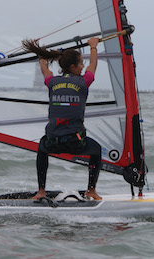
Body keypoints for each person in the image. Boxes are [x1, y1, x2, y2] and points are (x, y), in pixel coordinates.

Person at [22, 38, 102, 200]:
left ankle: (41, 191)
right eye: (81, 64)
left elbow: (44, 67)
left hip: (53, 142)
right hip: (76, 143)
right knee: (97, 150)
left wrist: (41, 54)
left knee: (41, 148)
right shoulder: (83, 82)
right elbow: (93, 66)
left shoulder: (52, 82)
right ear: (73, 66)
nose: (83, 66)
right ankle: (91, 190)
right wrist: (93, 47)